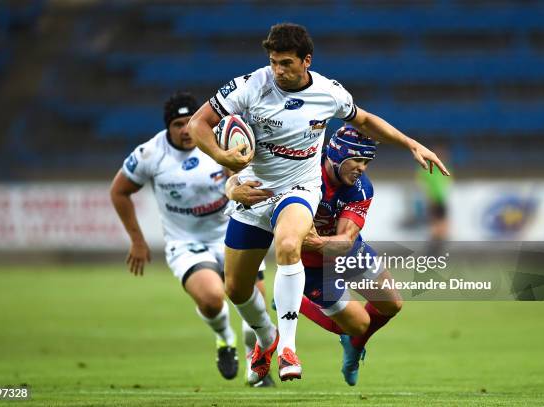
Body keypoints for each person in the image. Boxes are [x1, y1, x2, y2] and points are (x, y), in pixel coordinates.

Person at [188, 23, 449, 383]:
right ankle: (268, 335)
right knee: (235, 288)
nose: (278, 69)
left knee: (289, 243)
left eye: (286, 63)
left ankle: (288, 350)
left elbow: (367, 120)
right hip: (255, 192)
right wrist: (223, 158)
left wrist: (411, 144)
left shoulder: (329, 93)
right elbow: (199, 124)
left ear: (306, 61)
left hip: (299, 188)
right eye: (273, 61)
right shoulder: (248, 86)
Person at [109, 91, 275, 386]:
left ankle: (255, 360)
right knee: (212, 299)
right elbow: (119, 191)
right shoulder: (150, 154)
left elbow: (242, 177)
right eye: (178, 124)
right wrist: (137, 240)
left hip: (231, 233)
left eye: (190, 121)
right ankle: (225, 339)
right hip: (186, 243)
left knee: (256, 304)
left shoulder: (218, 141)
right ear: (167, 127)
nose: (186, 130)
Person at [229, 125, 402, 386]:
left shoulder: (361, 189)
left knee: (392, 304)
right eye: (357, 159)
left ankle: (353, 349)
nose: (362, 168)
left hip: (348, 253)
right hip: (313, 269)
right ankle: (295, 298)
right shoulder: (302, 171)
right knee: (357, 325)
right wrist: (233, 187)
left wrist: (315, 241)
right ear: (336, 154)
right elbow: (242, 176)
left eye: (366, 161)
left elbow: (345, 242)